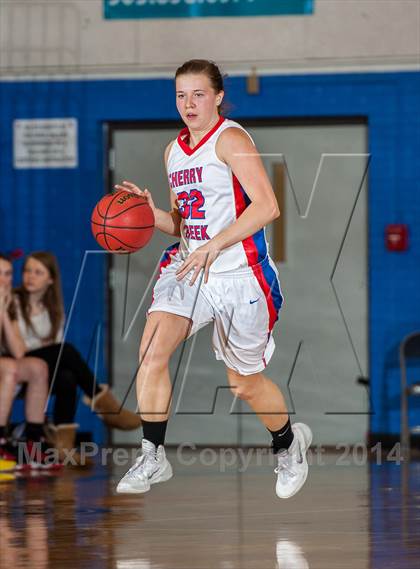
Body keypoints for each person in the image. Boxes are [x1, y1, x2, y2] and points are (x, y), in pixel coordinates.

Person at [115, 59, 312, 498]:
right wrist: (151, 214)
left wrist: (215, 245)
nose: (189, 103)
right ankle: (153, 455)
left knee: (244, 385)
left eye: (198, 94)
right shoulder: (173, 151)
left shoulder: (231, 139)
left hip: (241, 274)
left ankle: (287, 444)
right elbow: (185, 226)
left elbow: (267, 207)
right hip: (189, 265)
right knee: (150, 352)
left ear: (218, 97)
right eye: (181, 95)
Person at [14, 251, 142, 463]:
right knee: (66, 351)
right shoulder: (14, 303)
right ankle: (104, 402)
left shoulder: (53, 310)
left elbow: (52, 355)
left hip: (40, 374)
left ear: (51, 279)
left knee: (67, 377)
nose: (30, 276)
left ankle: (63, 447)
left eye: (38, 272)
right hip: (17, 368)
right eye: (27, 270)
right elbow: (20, 349)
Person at [0, 253, 53, 471]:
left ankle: (34, 441)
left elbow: (20, 351)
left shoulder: (8, 301)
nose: (4, 280)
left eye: (8, 274)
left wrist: (3, 311)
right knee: (11, 367)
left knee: (38, 366)